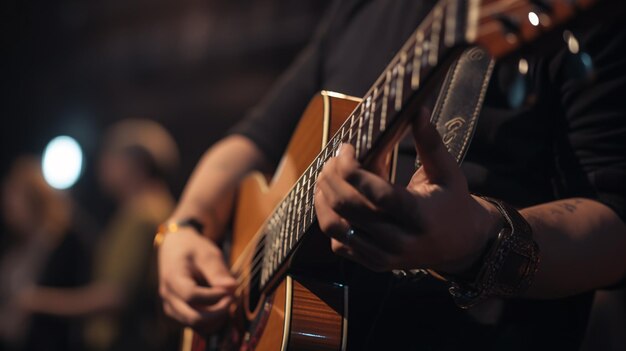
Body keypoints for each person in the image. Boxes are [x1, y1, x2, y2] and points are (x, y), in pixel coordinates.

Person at [157, 1, 626, 349]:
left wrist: (477, 239)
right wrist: (184, 227)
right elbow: (251, 139)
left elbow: (618, 225)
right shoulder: (358, 10)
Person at [19, 119, 181, 351]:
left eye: (110, 157)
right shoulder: (157, 208)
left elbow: (115, 297)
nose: (102, 166)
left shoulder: (143, 215)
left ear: (134, 163)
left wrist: (38, 301)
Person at [0, 157, 88, 351]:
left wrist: (35, 301)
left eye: (13, 199)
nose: (7, 207)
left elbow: (84, 297)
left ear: (34, 199)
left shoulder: (64, 241)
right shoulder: (15, 245)